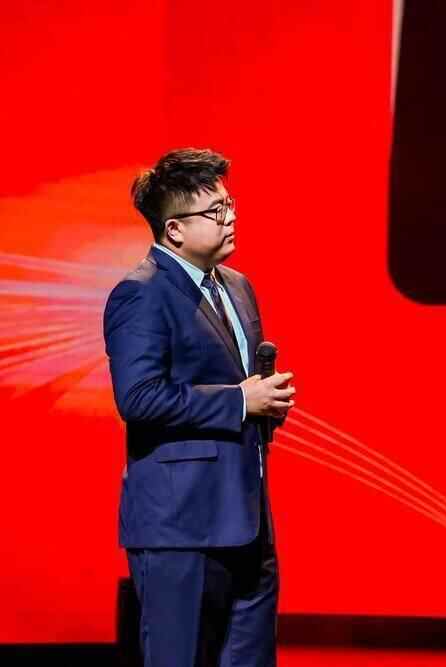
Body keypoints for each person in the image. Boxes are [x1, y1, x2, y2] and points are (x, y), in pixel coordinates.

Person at [104, 148, 296, 666]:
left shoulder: (238, 287)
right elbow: (139, 397)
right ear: (174, 230)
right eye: (215, 211)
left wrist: (267, 401)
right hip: (180, 527)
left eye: (229, 204)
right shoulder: (140, 294)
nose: (230, 217)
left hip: (248, 519)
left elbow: (241, 385)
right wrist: (239, 401)